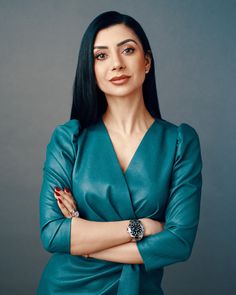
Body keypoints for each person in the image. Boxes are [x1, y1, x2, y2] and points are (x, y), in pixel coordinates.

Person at [37, 10, 202, 295]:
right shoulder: (69, 138)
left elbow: (178, 243)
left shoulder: (179, 141)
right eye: (101, 55)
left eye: (127, 50)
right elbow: (53, 234)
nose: (116, 64)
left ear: (147, 61)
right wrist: (142, 227)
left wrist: (86, 244)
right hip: (66, 287)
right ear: (90, 69)